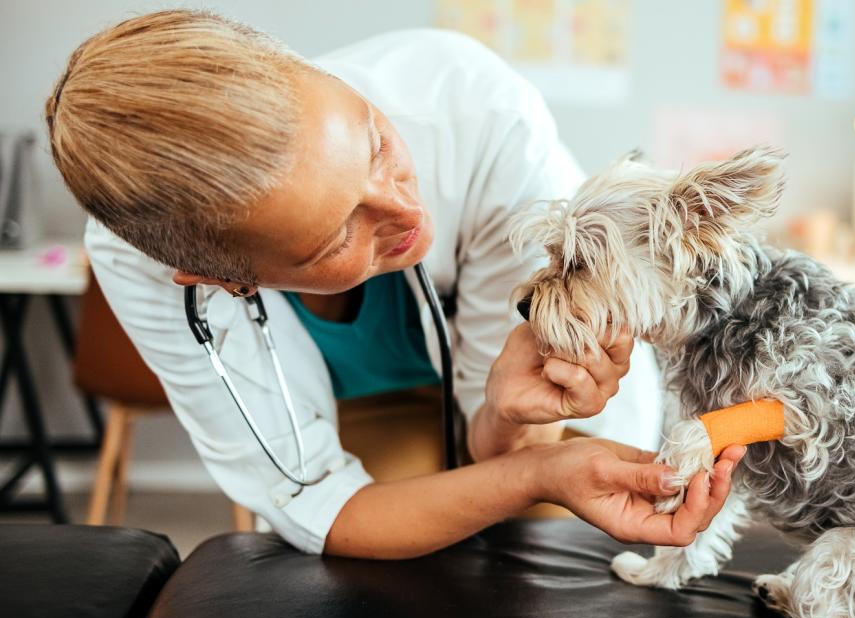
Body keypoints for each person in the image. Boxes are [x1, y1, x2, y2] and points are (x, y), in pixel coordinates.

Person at [45, 10, 743, 558]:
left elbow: (508, 442)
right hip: (368, 415)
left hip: (522, 412)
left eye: (376, 142)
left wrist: (519, 432)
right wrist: (534, 476)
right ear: (220, 279)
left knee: (550, 545)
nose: (408, 212)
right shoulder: (143, 264)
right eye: (334, 235)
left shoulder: (474, 108)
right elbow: (326, 504)